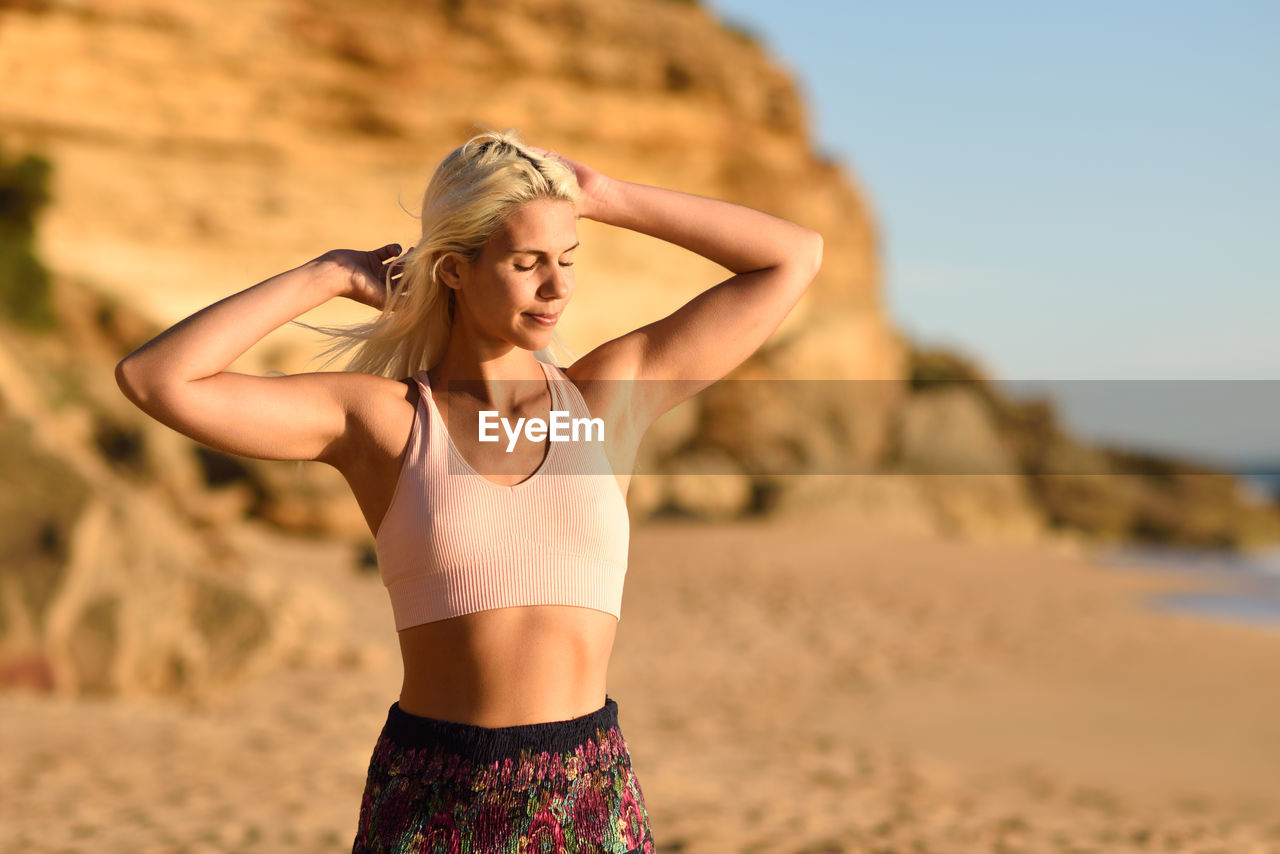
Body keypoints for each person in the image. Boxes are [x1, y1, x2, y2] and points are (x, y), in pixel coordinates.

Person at [115, 129, 822, 852]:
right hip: (433, 797)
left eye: (567, 260)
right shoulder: (384, 424)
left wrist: (606, 196)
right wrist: (325, 275)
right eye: (527, 263)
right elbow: (155, 380)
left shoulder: (607, 402)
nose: (558, 287)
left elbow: (793, 257)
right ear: (453, 270)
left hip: (588, 792)